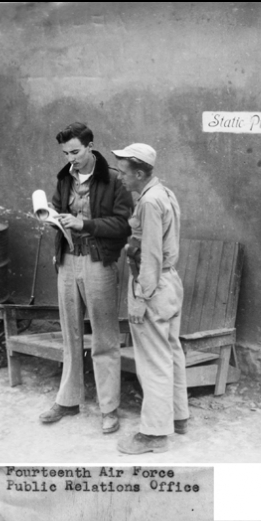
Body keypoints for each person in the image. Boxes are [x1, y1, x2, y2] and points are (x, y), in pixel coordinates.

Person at [38, 122, 133, 434]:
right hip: (67, 260)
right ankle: (68, 400)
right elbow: (54, 206)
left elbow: (122, 225)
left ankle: (109, 408)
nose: (71, 158)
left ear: (91, 146)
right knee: (70, 333)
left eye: (76, 151)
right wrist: (51, 218)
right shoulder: (64, 176)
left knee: (104, 337)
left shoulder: (114, 180)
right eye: (66, 153)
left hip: (98, 262)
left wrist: (84, 224)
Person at [111, 143, 189, 455]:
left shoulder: (149, 202)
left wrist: (141, 297)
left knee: (153, 361)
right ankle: (178, 417)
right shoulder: (162, 193)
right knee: (171, 351)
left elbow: (152, 255)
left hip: (153, 284)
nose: (120, 178)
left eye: (124, 172)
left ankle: (155, 434)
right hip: (169, 283)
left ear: (140, 173)